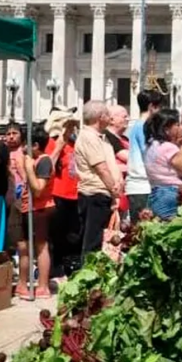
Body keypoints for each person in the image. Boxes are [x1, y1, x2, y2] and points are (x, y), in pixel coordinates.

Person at [73, 101, 123, 261]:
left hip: (103, 194)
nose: (110, 118)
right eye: (108, 114)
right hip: (94, 194)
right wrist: (114, 190)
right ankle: (88, 278)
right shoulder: (88, 137)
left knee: (100, 241)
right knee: (92, 242)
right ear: (100, 117)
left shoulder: (101, 138)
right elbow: (101, 169)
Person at [14, 123, 56, 299]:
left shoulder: (44, 161)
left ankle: (43, 285)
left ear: (35, 145)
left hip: (40, 209)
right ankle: (22, 284)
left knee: (40, 246)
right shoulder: (28, 159)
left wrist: (29, 168)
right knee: (23, 246)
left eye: (25, 144)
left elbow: (38, 188)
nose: (22, 148)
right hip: (26, 207)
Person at [44, 107, 82, 277]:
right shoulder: (52, 142)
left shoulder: (75, 143)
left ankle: (71, 266)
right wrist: (60, 144)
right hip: (58, 194)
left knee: (74, 235)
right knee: (57, 235)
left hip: (75, 194)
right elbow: (46, 167)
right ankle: (56, 267)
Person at [143, 108, 182, 220]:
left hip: (156, 193)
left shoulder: (151, 146)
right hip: (171, 193)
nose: (181, 128)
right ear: (167, 129)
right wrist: (181, 146)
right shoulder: (168, 147)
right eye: (177, 125)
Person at [124, 89, 165, 217]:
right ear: (152, 107)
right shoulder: (143, 127)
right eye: (160, 108)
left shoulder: (137, 126)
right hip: (142, 186)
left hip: (141, 186)